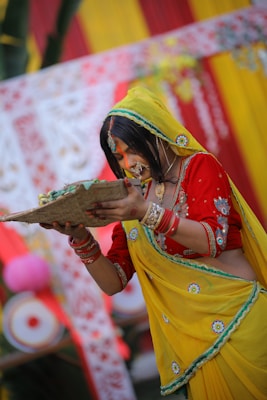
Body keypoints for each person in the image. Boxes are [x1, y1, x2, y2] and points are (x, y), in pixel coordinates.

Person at [41, 86, 267, 399]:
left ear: (157, 134)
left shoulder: (198, 166)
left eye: (132, 149)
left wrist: (146, 212)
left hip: (241, 324)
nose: (128, 162)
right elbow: (113, 282)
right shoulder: (134, 199)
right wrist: (80, 237)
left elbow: (211, 240)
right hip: (196, 345)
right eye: (118, 156)